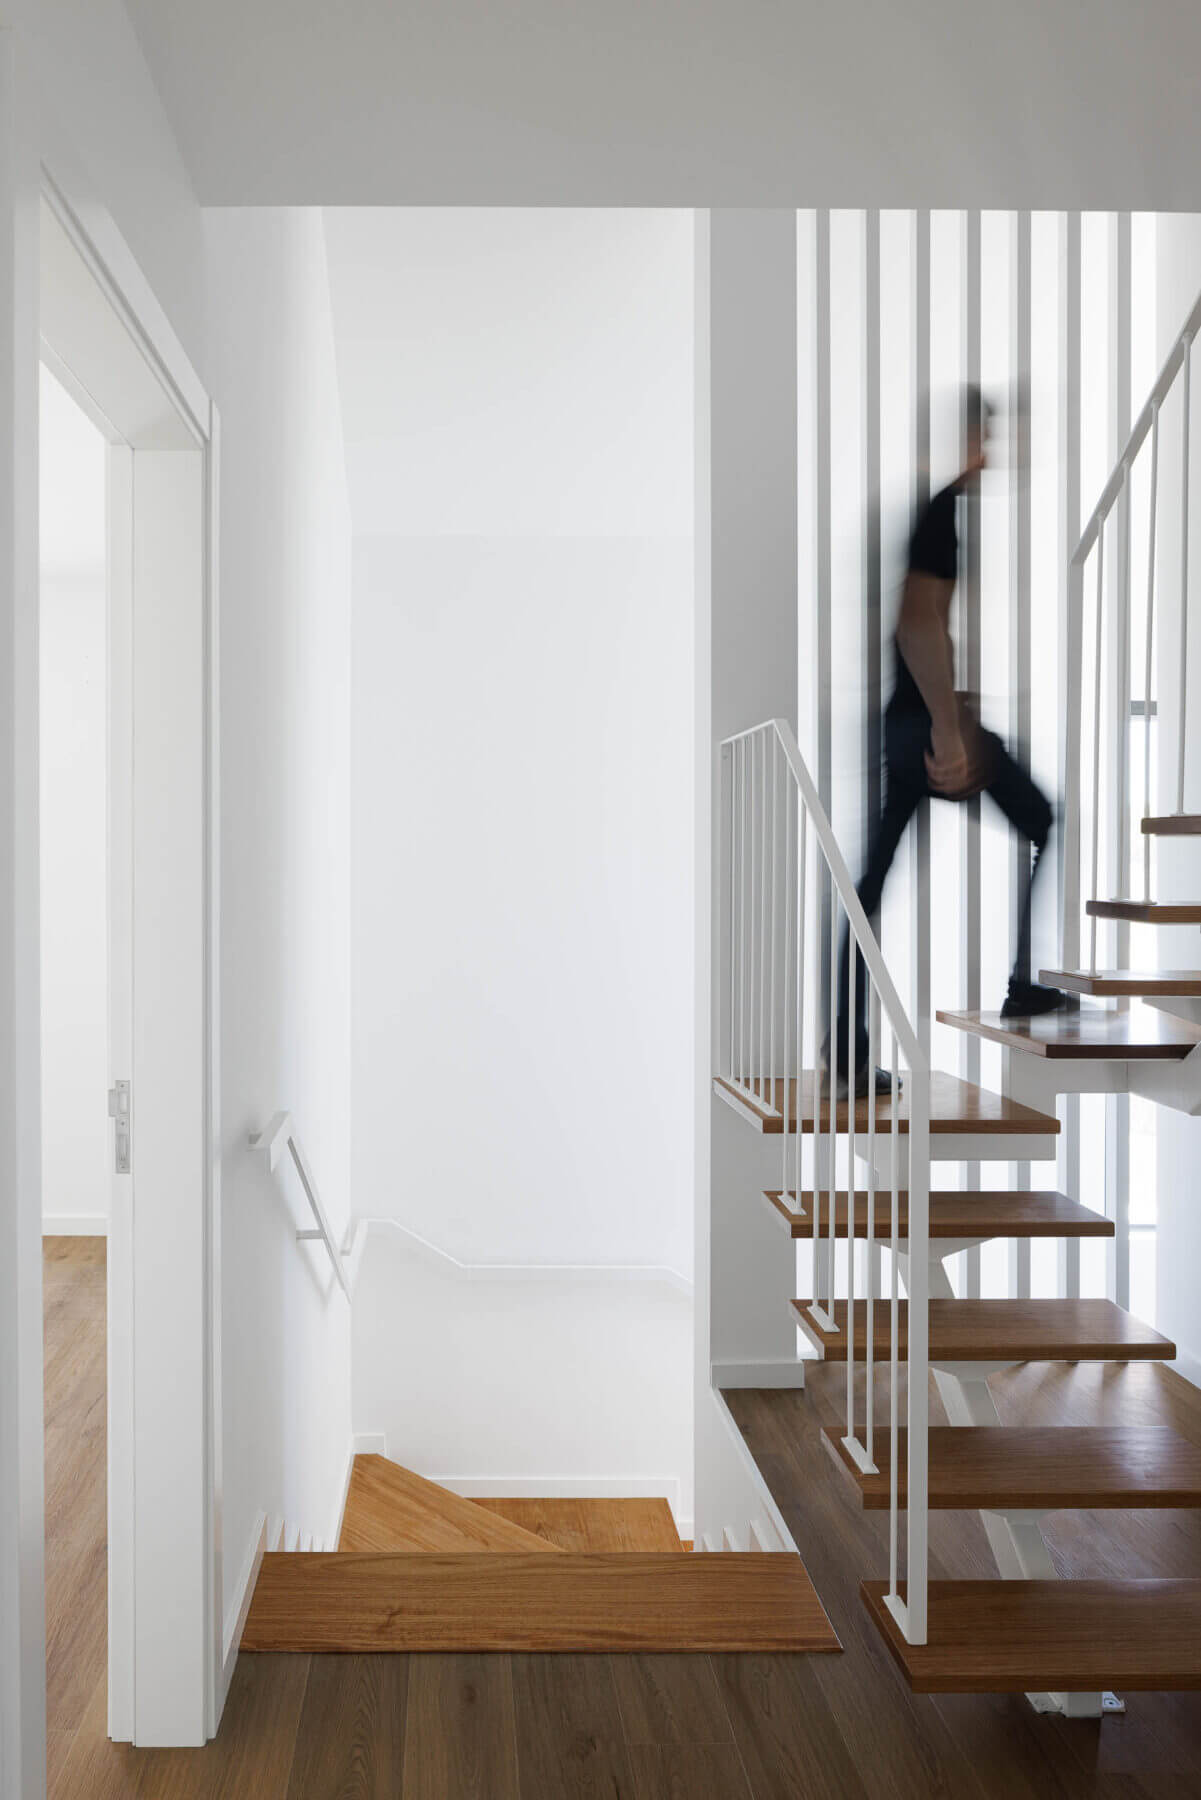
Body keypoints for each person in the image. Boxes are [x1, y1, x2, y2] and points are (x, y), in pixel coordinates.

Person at [830, 385, 1064, 1097]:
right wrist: (945, 726)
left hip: (908, 722)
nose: (992, 451)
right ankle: (1020, 987)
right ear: (967, 440)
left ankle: (845, 1047)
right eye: (984, 435)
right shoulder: (939, 513)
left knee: (871, 882)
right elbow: (916, 622)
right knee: (1038, 818)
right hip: (919, 727)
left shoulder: (936, 513)